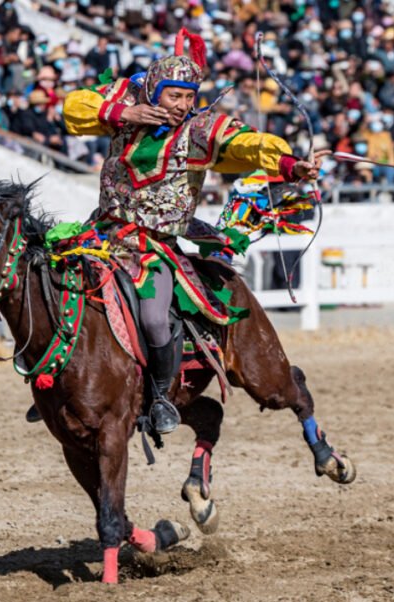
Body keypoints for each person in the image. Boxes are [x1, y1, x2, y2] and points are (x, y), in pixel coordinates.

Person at [62, 28, 327, 435]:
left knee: (152, 317)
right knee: (51, 283)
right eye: (174, 96)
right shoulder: (124, 110)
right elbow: (74, 108)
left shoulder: (200, 131)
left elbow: (246, 145)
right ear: (154, 93)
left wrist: (291, 165)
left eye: (189, 97)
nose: (182, 105)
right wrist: (124, 114)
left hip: (152, 248)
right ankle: (64, 387)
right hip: (101, 235)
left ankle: (161, 398)